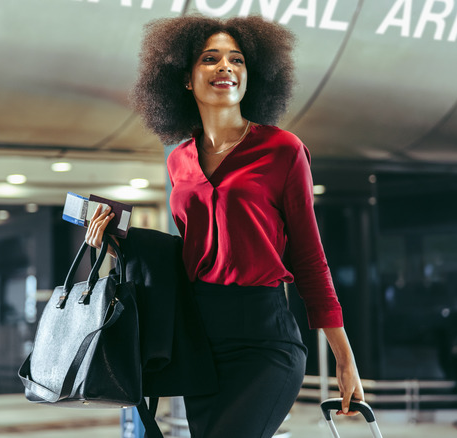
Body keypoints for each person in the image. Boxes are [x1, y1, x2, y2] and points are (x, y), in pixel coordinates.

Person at [85, 15, 364, 438]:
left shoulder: (283, 150)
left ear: (252, 75)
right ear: (185, 78)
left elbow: (309, 258)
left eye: (236, 60)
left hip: (265, 340)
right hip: (199, 341)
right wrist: (120, 240)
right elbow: (191, 252)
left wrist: (344, 357)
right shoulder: (179, 159)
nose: (225, 67)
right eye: (210, 59)